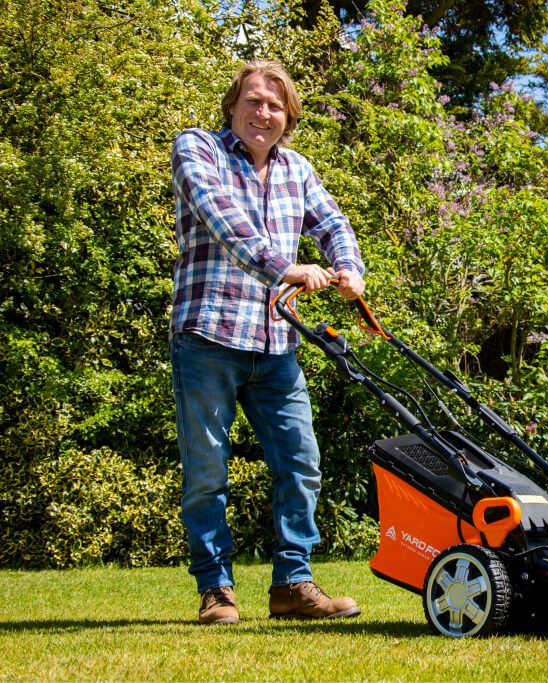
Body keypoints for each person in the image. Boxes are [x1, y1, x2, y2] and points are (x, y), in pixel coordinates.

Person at [169, 59, 365, 625]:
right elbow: (223, 220)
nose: (264, 113)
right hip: (206, 334)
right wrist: (288, 268)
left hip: (277, 343)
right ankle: (216, 591)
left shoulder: (297, 168)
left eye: (276, 106)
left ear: (289, 117)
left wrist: (348, 268)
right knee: (207, 471)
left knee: (301, 463)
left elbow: (331, 223)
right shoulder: (198, 149)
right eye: (254, 101)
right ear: (233, 105)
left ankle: (293, 586)